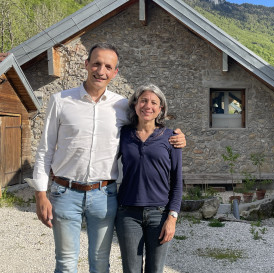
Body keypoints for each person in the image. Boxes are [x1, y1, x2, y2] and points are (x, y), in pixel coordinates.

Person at [26, 43, 186, 273]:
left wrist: (179, 137)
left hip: (103, 194)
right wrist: (40, 194)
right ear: (86, 64)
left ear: (114, 72)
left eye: (108, 66)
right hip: (64, 191)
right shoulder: (61, 101)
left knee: (101, 262)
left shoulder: (121, 106)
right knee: (66, 261)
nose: (101, 70)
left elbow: (149, 129)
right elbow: (45, 150)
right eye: (96, 63)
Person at [115, 84, 182, 273]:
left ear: (160, 109)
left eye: (154, 102)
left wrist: (172, 218)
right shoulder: (123, 134)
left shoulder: (171, 138)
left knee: (155, 270)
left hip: (159, 215)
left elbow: (177, 183)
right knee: (131, 270)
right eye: (143, 100)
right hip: (127, 214)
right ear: (135, 104)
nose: (148, 106)